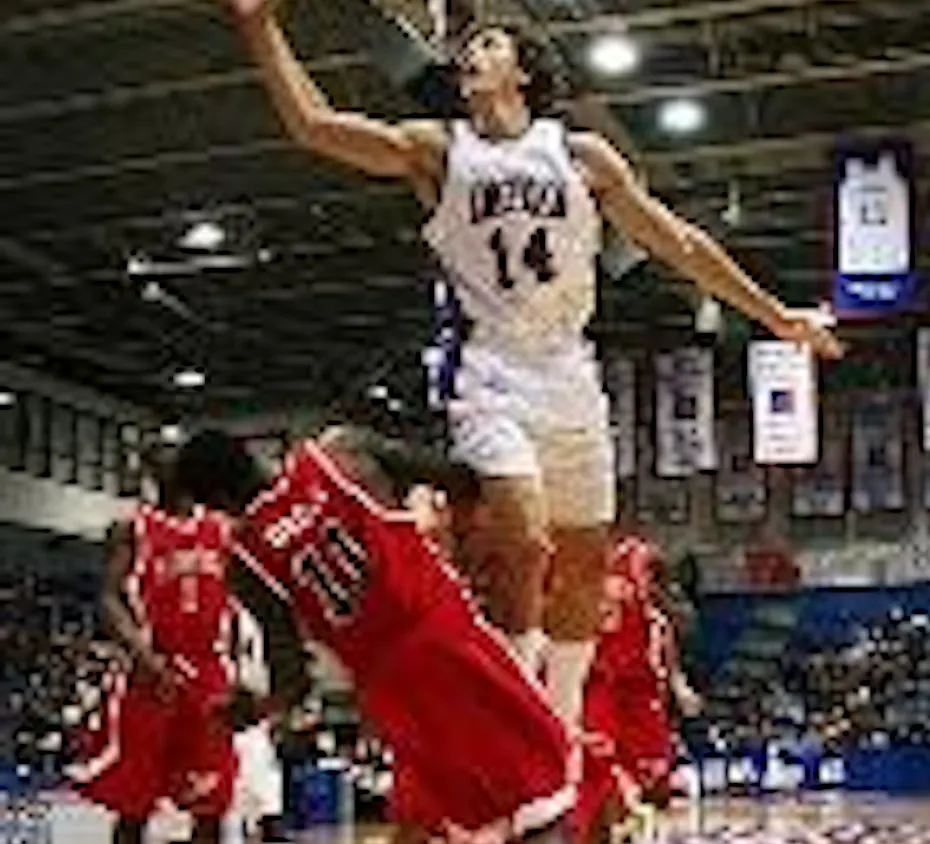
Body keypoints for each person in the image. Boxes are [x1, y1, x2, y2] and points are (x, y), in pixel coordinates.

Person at [224, 0, 844, 733]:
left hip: (570, 373)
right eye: (467, 47)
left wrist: (776, 316)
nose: (469, 55)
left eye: (486, 44)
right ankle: (512, 699)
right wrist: (259, 27)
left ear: (523, 68)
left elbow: (680, 242)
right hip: (489, 371)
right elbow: (316, 129)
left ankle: (560, 721)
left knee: (584, 563)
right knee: (523, 534)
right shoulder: (440, 149)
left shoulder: (584, 158)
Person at [173, 426, 573, 844]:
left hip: (390, 688)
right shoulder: (341, 455)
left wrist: (255, 709)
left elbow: (291, 679)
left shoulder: (244, 559)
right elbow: (458, 478)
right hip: (449, 639)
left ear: (215, 502)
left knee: (455, 819)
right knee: (536, 798)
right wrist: (461, 549)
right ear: (251, 453)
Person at [66, 446, 239, 844]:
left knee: (210, 802)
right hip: (151, 671)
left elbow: (248, 595)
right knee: (134, 803)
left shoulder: (222, 528)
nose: (169, 466)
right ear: (151, 471)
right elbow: (108, 596)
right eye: (159, 458)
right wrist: (141, 653)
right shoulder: (131, 527)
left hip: (209, 673)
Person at [576, 533, 702, 843]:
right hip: (606, 694)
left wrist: (679, 686)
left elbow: (667, 662)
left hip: (642, 705)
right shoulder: (604, 603)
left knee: (645, 787)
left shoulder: (656, 622)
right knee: (605, 780)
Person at [227, 602, 290, 844]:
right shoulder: (227, 611)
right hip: (232, 723)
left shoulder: (255, 614)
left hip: (255, 726)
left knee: (268, 811)